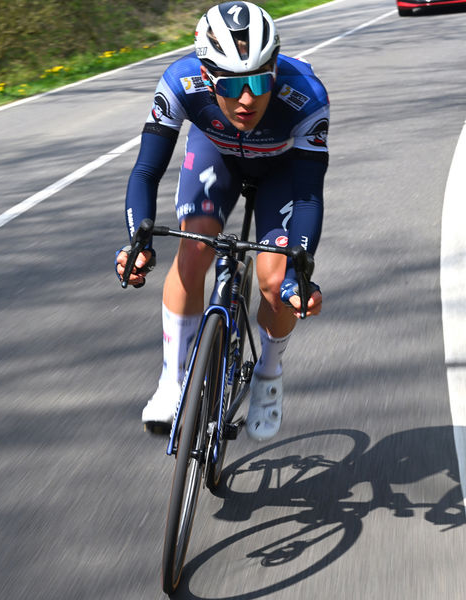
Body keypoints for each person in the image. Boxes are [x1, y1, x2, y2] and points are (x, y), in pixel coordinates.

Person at [116, 1, 328, 441]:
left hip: (281, 172)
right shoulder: (180, 82)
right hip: (217, 156)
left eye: (257, 80)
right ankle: (173, 383)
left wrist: (299, 269)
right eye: (231, 86)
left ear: (273, 69)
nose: (246, 99)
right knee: (192, 252)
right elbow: (146, 171)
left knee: (275, 284)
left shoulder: (307, 95)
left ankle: (269, 375)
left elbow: (308, 196)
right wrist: (138, 240)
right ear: (207, 75)